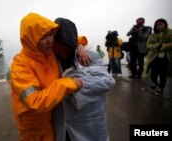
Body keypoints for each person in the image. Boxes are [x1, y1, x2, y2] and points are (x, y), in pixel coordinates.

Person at [10, 12, 84, 141]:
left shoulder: (49, 53)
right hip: (34, 131)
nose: (50, 41)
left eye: (50, 34)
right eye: (43, 37)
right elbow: (35, 102)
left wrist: (80, 46)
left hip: (53, 121)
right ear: (31, 41)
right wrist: (67, 83)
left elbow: (72, 38)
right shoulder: (20, 65)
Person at [53, 18, 115, 141]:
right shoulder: (53, 60)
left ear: (71, 41)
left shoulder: (88, 56)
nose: (61, 49)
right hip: (64, 123)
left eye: (65, 44)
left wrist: (72, 87)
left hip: (90, 122)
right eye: (57, 44)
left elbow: (107, 81)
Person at [144, 19, 172, 95]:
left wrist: (163, 47)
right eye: (157, 25)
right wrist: (157, 46)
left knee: (163, 73)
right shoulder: (153, 35)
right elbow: (148, 45)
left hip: (165, 57)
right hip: (154, 57)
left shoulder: (170, 33)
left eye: (161, 24)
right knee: (153, 72)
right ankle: (154, 82)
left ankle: (161, 87)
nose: (159, 26)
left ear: (165, 24)